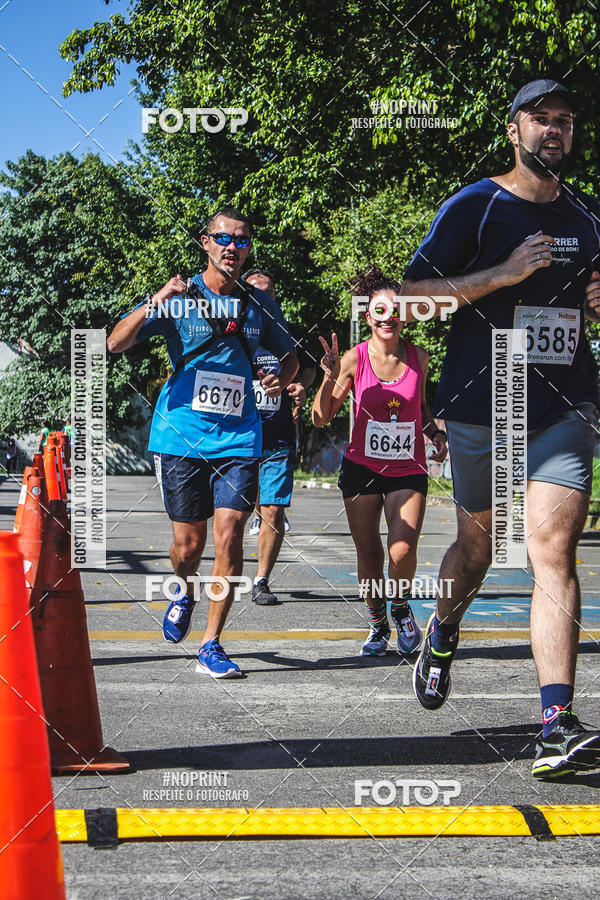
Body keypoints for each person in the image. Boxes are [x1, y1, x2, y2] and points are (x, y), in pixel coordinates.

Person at [401, 79, 600, 779]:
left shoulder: (589, 215)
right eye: (540, 118)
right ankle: (443, 630)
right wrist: (500, 274)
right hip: (482, 402)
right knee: (478, 550)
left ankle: (555, 723)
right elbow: (406, 300)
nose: (554, 129)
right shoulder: (475, 206)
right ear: (513, 131)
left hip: (564, 404)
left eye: (564, 119)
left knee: (552, 549)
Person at [107, 207, 298, 678]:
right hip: (181, 436)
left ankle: (211, 644)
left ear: (248, 249)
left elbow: (291, 358)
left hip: (240, 438)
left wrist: (278, 378)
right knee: (188, 548)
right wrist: (155, 300)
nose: (233, 247)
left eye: (242, 240)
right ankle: (183, 589)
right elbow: (115, 343)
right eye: (224, 238)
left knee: (230, 535)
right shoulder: (180, 297)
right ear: (205, 242)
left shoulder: (259, 303)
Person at [312, 268, 447, 657]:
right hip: (362, 470)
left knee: (401, 550)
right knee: (369, 556)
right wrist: (328, 376)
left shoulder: (419, 358)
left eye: (396, 311)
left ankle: (400, 607)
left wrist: (435, 434)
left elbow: (421, 408)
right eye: (380, 311)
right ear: (368, 316)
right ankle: (377, 624)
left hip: (408, 469)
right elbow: (320, 418)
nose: (388, 318)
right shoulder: (353, 360)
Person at [242, 267, 316, 605]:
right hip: (237, 437)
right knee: (236, 512)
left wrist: (299, 387)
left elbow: (305, 369)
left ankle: (261, 581)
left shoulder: (289, 332)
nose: (262, 297)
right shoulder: (230, 332)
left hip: (278, 436)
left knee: (273, 509)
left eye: (268, 292)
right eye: (254, 291)